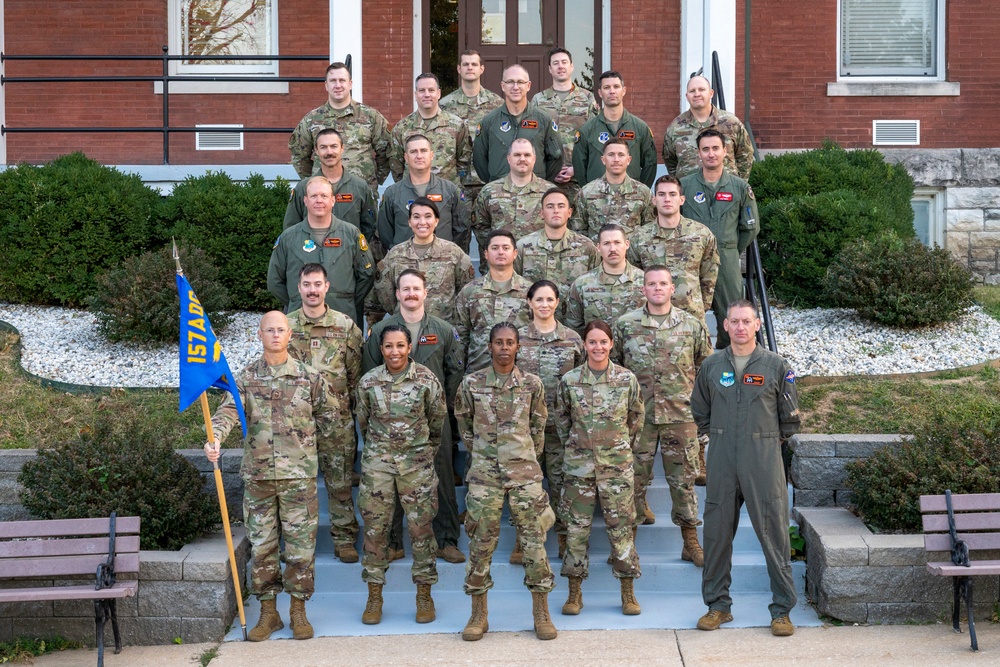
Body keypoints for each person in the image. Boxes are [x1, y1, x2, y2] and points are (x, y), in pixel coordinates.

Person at [205, 310, 334, 641]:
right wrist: (215, 438)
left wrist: (321, 454)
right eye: (269, 330)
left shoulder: (310, 378)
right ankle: (268, 613)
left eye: (281, 329)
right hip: (260, 479)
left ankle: (298, 612)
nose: (275, 335)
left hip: (298, 480)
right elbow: (227, 413)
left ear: (290, 334)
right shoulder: (245, 379)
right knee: (262, 547)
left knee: (300, 548)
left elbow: (331, 419)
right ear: (259, 335)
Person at [691, 299, 801, 637]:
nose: (740, 327)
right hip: (723, 457)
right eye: (734, 321)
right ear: (724, 326)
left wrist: (763, 441)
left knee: (774, 534)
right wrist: (721, 436)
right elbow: (700, 410)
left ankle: (781, 610)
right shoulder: (711, 366)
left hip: (763, 458)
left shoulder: (776, 365)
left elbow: (790, 419)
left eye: (746, 321)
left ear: (757, 325)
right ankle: (717, 607)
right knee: (716, 533)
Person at [455, 323, 557, 642]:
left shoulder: (531, 384)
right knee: (481, 543)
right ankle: (478, 613)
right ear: (489, 346)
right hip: (484, 474)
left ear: (518, 347)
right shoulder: (472, 383)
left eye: (510, 342)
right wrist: (486, 454)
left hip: (524, 473)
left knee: (534, 543)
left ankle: (541, 611)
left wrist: (522, 455)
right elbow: (464, 425)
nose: (503, 347)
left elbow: (539, 425)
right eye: (498, 342)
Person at [363, 269, 466, 566]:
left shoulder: (443, 330)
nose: (410, 294)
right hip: (388, 420)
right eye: (404, 289)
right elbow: (369, 373)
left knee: (442, 475)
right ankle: (394, 542)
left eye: (415, 289)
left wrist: (443, 407)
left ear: (425, 292)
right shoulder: (383, 329)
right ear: (396, 294)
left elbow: (454, 371)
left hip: (434, 418)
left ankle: (445, 539)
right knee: (391, 481)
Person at [612, 267, 711, 566]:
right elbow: (615, 368)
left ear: (672, 289)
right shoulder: (625, 325)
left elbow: (704, 367)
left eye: (663, 284)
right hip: (638, 417)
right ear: (643, 289)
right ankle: (628, 547)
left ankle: (690, 542)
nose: (657, 288)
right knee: (633, 481)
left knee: (683, 482)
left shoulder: (692, 325)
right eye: (651, 284)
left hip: (680, 415)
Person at [355, 325, 448, 625]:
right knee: (375, 531)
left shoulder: (426, 380)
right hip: (378, 467)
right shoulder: (368, 382)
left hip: (416, 465)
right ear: (381, 349)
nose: (394, 352)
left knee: (421, 531)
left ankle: (424, 595)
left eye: (400, 346)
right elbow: (363, 421)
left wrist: (421, 452)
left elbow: (437, 421)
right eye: (388, 346)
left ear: (410, 347)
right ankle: (374, 596)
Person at [555, 320, 645, 616]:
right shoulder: (570, 381)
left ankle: (628, 592)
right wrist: (581, 446)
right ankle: (574, 593)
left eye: (603, 342)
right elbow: (562, 420)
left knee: (621, 531)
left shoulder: (626, 379)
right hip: (579, 469)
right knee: (576, 531)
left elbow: (636, 418)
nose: (597, 347)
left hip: (616, 468)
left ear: (611, 344)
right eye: (592, 342)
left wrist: (616, 447)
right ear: (584, 345)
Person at [285, 264, 364, 564]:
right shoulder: (287, 326)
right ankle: (296, 543)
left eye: (318, 284)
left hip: (336, 420)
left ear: (327, 287)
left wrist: (349, 408)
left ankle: (344, 539)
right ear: (299, 287)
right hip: (297, 423)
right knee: (297, 485)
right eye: (307, 284)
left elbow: (355, 373)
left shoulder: (344, 326)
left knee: (340, 482)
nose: (312, 290)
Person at [516, 280, 584, 561]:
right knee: (524, 487)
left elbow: (582, 383)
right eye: (539, 300)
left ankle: (564, 539)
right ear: (529, 303)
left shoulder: (572, 339)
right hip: (524, 429)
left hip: (559, 427)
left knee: (559, 483)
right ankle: (523, 542)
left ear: (558, 303)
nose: (544, 305)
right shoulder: (516, 338)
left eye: (550, 300)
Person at [680, 129, 759, 349]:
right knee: (687, 312)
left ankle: (729, 357)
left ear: (725, 151)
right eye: (705, 149)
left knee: (731, 312)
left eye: (716, 148)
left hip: (727, 259)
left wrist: (730, 249)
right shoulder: (684, 186)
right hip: (691, 260)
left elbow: (750, 227)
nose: (711, 153)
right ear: (699, 153)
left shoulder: (740, 188)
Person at [267, 176, 375, 326]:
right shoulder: (288, 238)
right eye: (313, 196)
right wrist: (298, 299)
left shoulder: (351, 234)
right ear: (305, 201)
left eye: (324, 196)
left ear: (332, 201)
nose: (319, 200)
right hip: (300, 319)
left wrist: (346, 299)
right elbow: (274, 281)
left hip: (343, 317)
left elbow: (367, 274)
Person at [627, 175, 719, 326]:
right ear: (654, 200)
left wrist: (700, 304)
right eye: (661, 194)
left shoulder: (701, 234)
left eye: (672, 194)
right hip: (651, 319)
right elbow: (635, 276)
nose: (667, 199)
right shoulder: (639, 237)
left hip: (691, 316)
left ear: (682, 199)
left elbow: (709, 275)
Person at [288, 62, 392, 191]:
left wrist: (372, 179)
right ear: (326, 85)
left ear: (350, 84)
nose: (338, 85)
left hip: (361, 193)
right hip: (323, 193)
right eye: (333, 81)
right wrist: (314, 179)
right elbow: (299, 156)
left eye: (342, 80)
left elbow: (387, 152)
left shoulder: (370, 116)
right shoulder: (312, 119)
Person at [373, 198, 475, 324]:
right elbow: (385, 293)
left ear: (436, 221)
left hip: (443, 328)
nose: (422, 222)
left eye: (428, 216)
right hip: (404, 329)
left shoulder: (453, 252)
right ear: (409, 222)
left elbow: (466, 290)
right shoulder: (395, 254)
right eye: (416, 217)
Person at [514, 187, 600, 324]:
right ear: (542, 213)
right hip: (532, 328)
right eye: (550, 206)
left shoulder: (586, 247)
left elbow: (595, 287)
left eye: (561, 206)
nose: (556, 210)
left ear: (569, 212)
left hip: (573, 327)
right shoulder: (523, 247)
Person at [454, 229, 532, 373]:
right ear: (486, 254)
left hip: (521, 376)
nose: (500, 252)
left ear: (515, 253)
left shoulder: (530, 292)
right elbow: (460, 338)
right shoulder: (470, 291)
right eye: (495, 248)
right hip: (478, 375)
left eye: (506, 248)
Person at [472, 64, 563, 185]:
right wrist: (496, 182)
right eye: (510, 82)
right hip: (500, 194)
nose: (515, 87)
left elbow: (556, 157)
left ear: (528, 86)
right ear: (503, 86)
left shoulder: (543, 120)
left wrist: (541, 182)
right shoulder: (489, 122)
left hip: (534, 194)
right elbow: (479, 160)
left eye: (520, 82)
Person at [282, 128, 378, 242]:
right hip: (312, 255)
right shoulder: (303, 188)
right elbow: (291, 227)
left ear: (342, 148)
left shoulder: (360, 187)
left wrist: (353, 247)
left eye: (334, 146)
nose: (329, 152)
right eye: (323, 147)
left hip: (349, 255)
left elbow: (369, 226)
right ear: (316, 151)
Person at [378, 134, 470, 251]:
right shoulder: (392, 193)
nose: (419, 156)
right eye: (413, 152)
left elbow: (461, 228)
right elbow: (385, 233)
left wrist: (447, 252)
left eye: (423, 151)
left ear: (431, 155)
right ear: (406, 157)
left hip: (442, 261)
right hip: (405, 263)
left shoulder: (450, 190)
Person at [530, 47, 600, 198]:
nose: (560, 66)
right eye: (555, 63)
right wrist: (549, 169)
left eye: (564, 62)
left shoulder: (587, 98)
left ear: (572, 66)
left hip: (579, 179)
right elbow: (532, 139)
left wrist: (577, 167)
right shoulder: (538, 100)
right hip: (546, 180)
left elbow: (595, 137)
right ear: (550, 69)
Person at [440, 50, 504, 207]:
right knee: (460, 230)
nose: (470, 67)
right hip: (456, 181)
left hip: (488, 180)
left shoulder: (497, 104)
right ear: (458, 69)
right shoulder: (444, 105)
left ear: (481, 69)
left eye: (474, 64)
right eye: (466, 64)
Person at [572, 71, 657, 188]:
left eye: (616, 87)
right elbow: (580, 168)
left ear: (624, 90)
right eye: (607, 87)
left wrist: (639, 194)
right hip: (597, 200)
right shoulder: (587, 131)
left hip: (631, 199)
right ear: (600, 93)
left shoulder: (640, 129)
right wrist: (591, 195)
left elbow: (650, 165)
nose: (612, 91)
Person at [663, 74, 755, 180]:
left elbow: (745, 155)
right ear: (687, 96)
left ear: (711, 93)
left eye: (701, 89)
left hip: (725, 191)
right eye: (692, 91)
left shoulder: (731, 123)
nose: (697, 94)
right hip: (689, 191)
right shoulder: (675, 127)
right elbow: (670, 161)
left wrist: (738, 184)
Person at [389, 73, 472, 189]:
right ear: (415, 94)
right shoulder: (401, 128)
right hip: (413, 192)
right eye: (422, 90)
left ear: (438, 93)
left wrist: (453, 186)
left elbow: (464, 161)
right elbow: (396, 166)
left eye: (431, 90)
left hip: (447, 193)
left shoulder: (457, 125)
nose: (427, 95)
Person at [564, 224, 644, 334]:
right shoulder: (582, 284)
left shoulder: (645, 281)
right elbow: (574, 327)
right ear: (598, 247)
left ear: (627, 244)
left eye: (617, 242)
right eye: (606, 243)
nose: (612, 249)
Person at [473, 138, 555, 245]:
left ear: (534, 159)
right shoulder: (489, 191)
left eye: (527, 155)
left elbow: (558, 226)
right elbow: (480, 226)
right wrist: (496, 248)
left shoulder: (549, 192)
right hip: (501, 258)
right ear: (508, 159)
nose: (522, 159)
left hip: (536, 259)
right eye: (517, 155)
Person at [571, 138, 654, 241]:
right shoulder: (587, 192)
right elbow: (578, 230)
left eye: (621, 155)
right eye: (611, 155)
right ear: (603, 160)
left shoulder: (643, 192)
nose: (616, 159)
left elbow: (650, 229)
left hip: (632, 254)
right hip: (598, 254)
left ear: (628, 160)